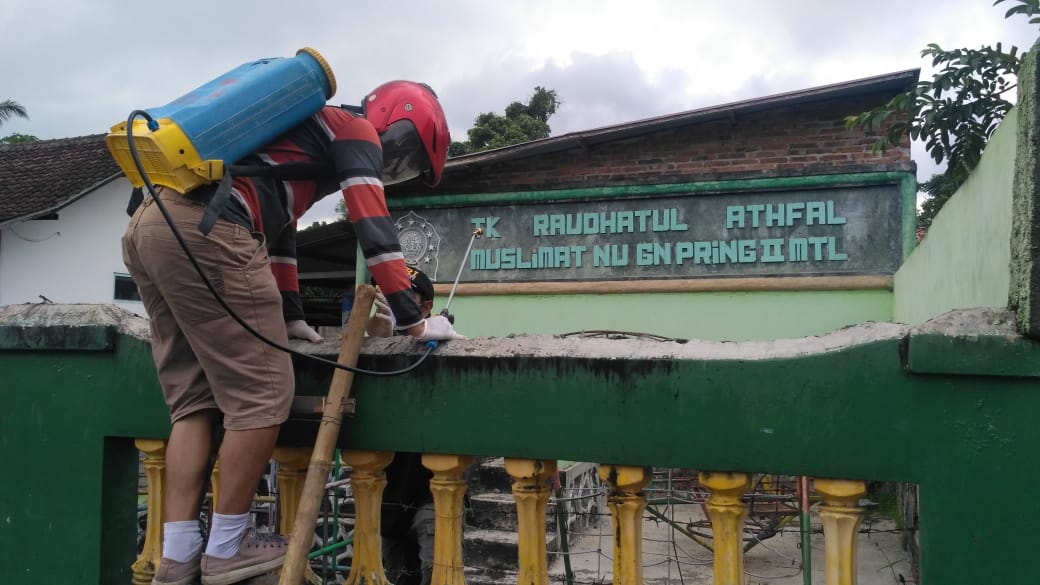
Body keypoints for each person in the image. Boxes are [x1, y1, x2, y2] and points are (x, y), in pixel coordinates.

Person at [122, 80, 463, 585]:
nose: (395, 164)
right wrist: (413, 318)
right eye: (406, 152)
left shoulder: (296, 136)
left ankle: (177, 555)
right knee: (262, 395)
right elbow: (374, 225)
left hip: (150, 224)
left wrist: (291, 316)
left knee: (194, 402)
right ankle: (228, 544)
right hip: (209, 228)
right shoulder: (354, 130)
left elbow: (278, 233)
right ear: (397, 119)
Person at [367, 266, 438, 585]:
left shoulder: (440, 344)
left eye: (403, 295)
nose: (391, 301)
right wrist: (376, 340)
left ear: (425, 307)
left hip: (431, 489)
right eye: (384, 293)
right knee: (391, 574)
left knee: (436, 570)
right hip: (386, 491)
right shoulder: (369, 349)